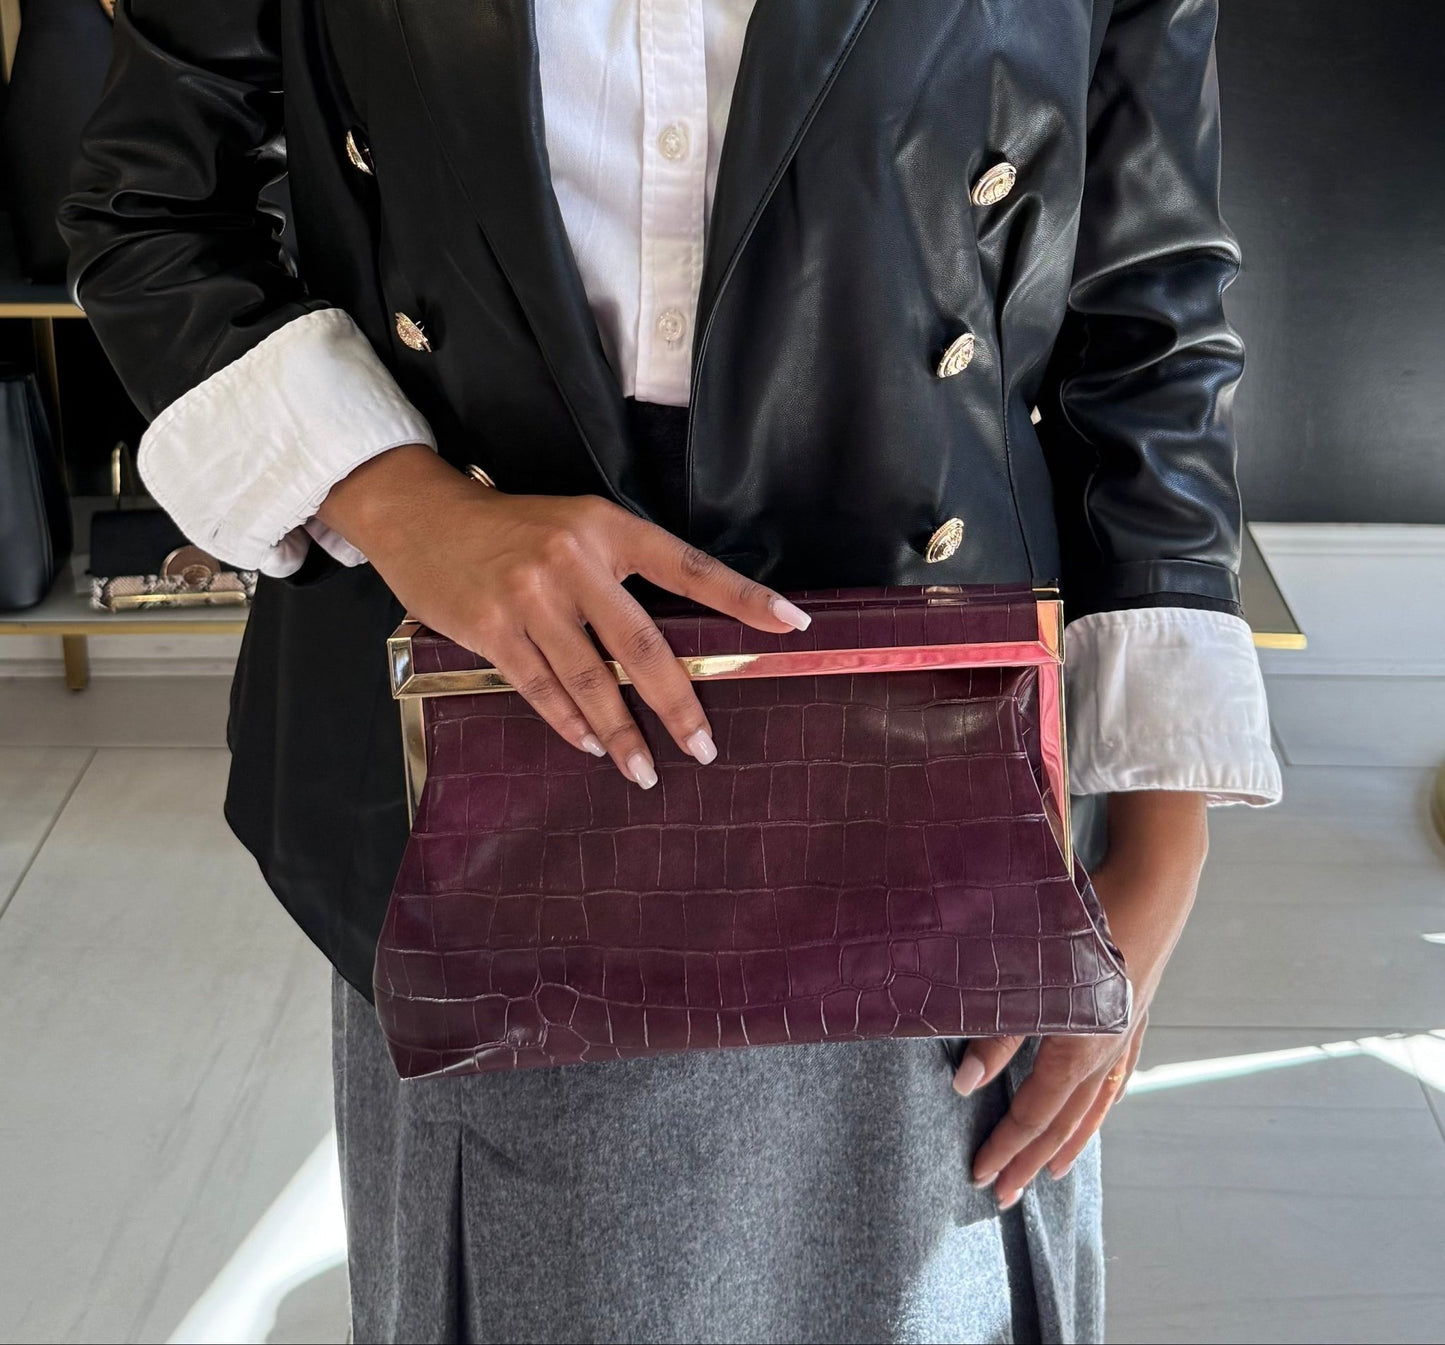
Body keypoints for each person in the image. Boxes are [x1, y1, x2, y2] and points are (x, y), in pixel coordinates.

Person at [59, 2, 1282, 1340]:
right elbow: (153, 207)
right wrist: (406, 505)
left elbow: (1145, 309)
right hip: (485, 724)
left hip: (936, 740)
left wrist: (1158, 848)